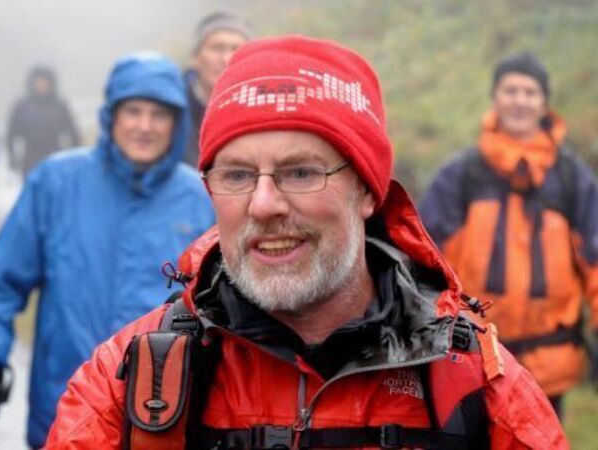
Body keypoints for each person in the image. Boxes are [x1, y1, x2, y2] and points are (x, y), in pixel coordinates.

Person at [44, 36, 565, 449]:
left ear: (367, 191)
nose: (263, 204)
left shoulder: (477, 383)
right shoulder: (128, 379)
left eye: (300, 172)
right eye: (237, 174)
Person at [0, 52, 215, 449]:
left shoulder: (202, 200)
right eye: (133, 111)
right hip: (63, 415)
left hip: (165, 423)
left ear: (177, 123)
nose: (145, 126)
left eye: (159, 114)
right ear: (111, 116)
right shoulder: (56, 184)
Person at [420, 52, 598, 418]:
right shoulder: (461, 176)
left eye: (530, 92)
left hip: (549, 370)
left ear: (544, 103)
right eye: (510, 90)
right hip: (471, 363)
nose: (520, 100)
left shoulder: (572, 179)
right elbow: (423, 261)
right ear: (495, 99)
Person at [182, 11, 252, 166]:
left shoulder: (260, 111)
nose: (226, 59)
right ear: (195, 58)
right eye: (217, 48)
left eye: (236, 49)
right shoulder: (172, 108)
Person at [6, 65, 82, 177]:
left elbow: (73, 133)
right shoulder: (22, 106)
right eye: (38, 81)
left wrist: (74, 158)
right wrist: (12, 158)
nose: (41, 85)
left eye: (45, 81)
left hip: (55, 157)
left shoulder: (59, 105)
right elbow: (11, 134)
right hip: (30, 159)